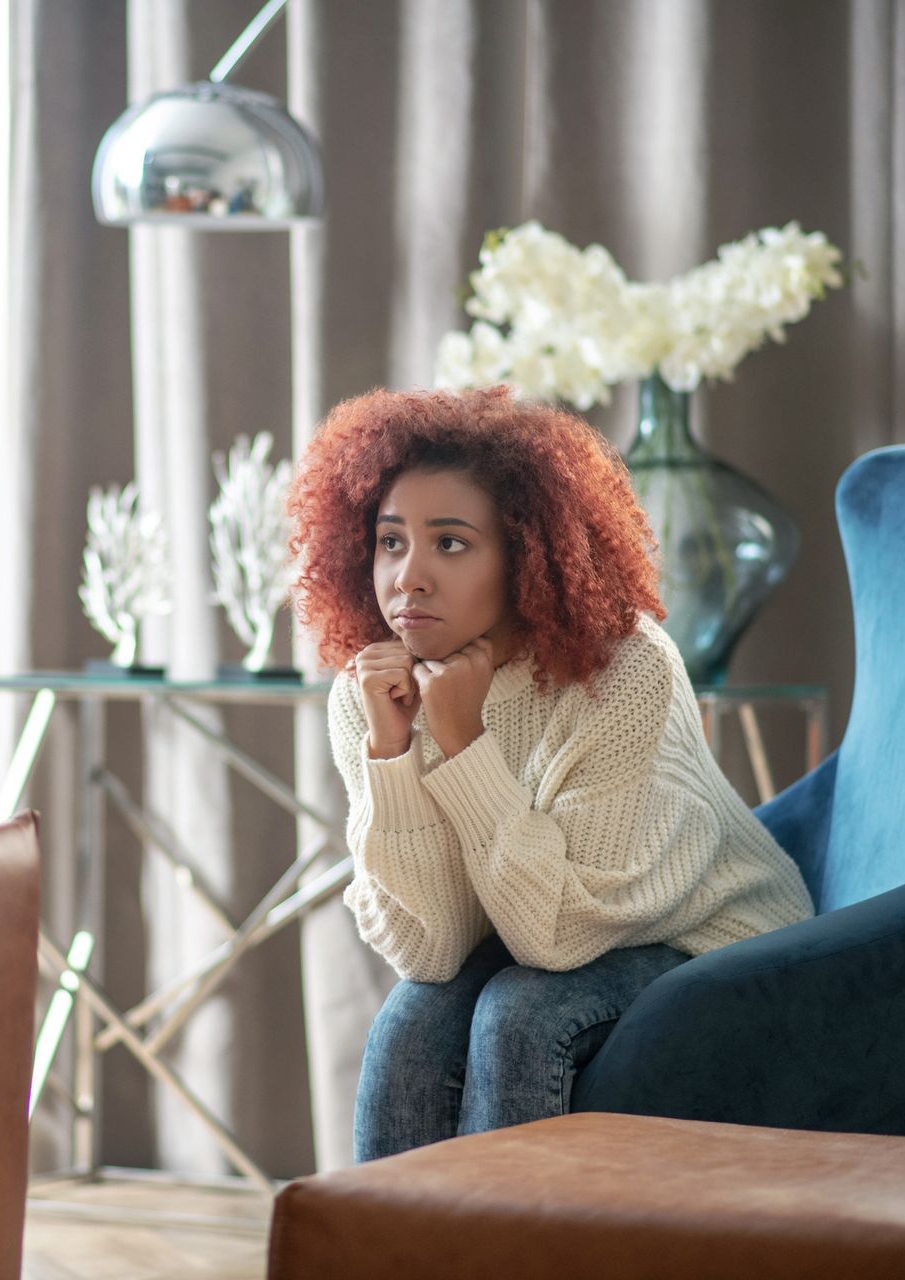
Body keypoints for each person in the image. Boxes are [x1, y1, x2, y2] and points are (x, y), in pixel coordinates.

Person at [285, 386, 813, 1159]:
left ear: (525, 554)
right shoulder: (371, 694)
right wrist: (395, 753)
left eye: (452, 543)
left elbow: (554, 937)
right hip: (551, 936)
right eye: (391, 541)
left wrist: (463, 740)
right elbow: (430, 950)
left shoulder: (622, 670)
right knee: (411, 1016)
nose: (409, 578)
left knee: (522, 1015)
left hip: (713, 942)